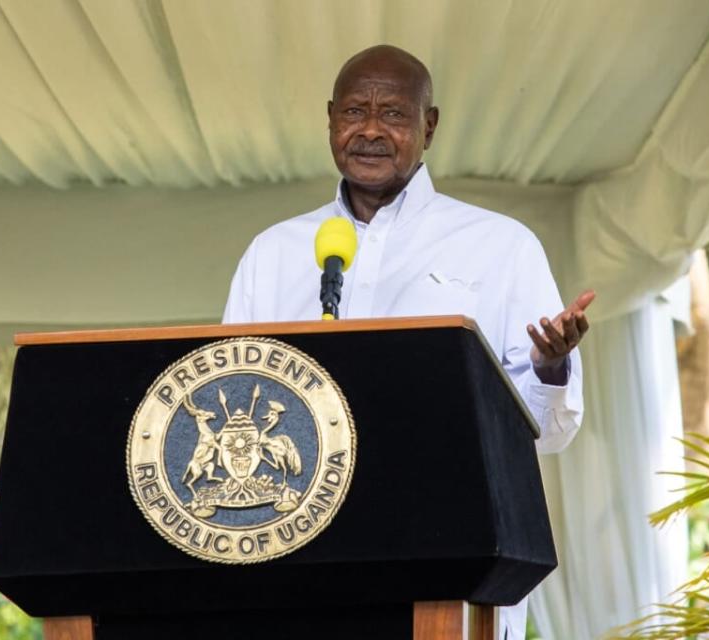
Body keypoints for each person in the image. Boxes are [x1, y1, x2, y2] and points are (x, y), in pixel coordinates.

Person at [222, 44, 594, 640]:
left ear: (429, 124)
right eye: (354, 112)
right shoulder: (273, 253)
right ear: (329, 119)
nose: (370, 129)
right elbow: (232, 399)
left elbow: (551, 432)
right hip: (298, 561)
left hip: (449, 552)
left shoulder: (502, 246)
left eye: (393, 113)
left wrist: (550, 367)